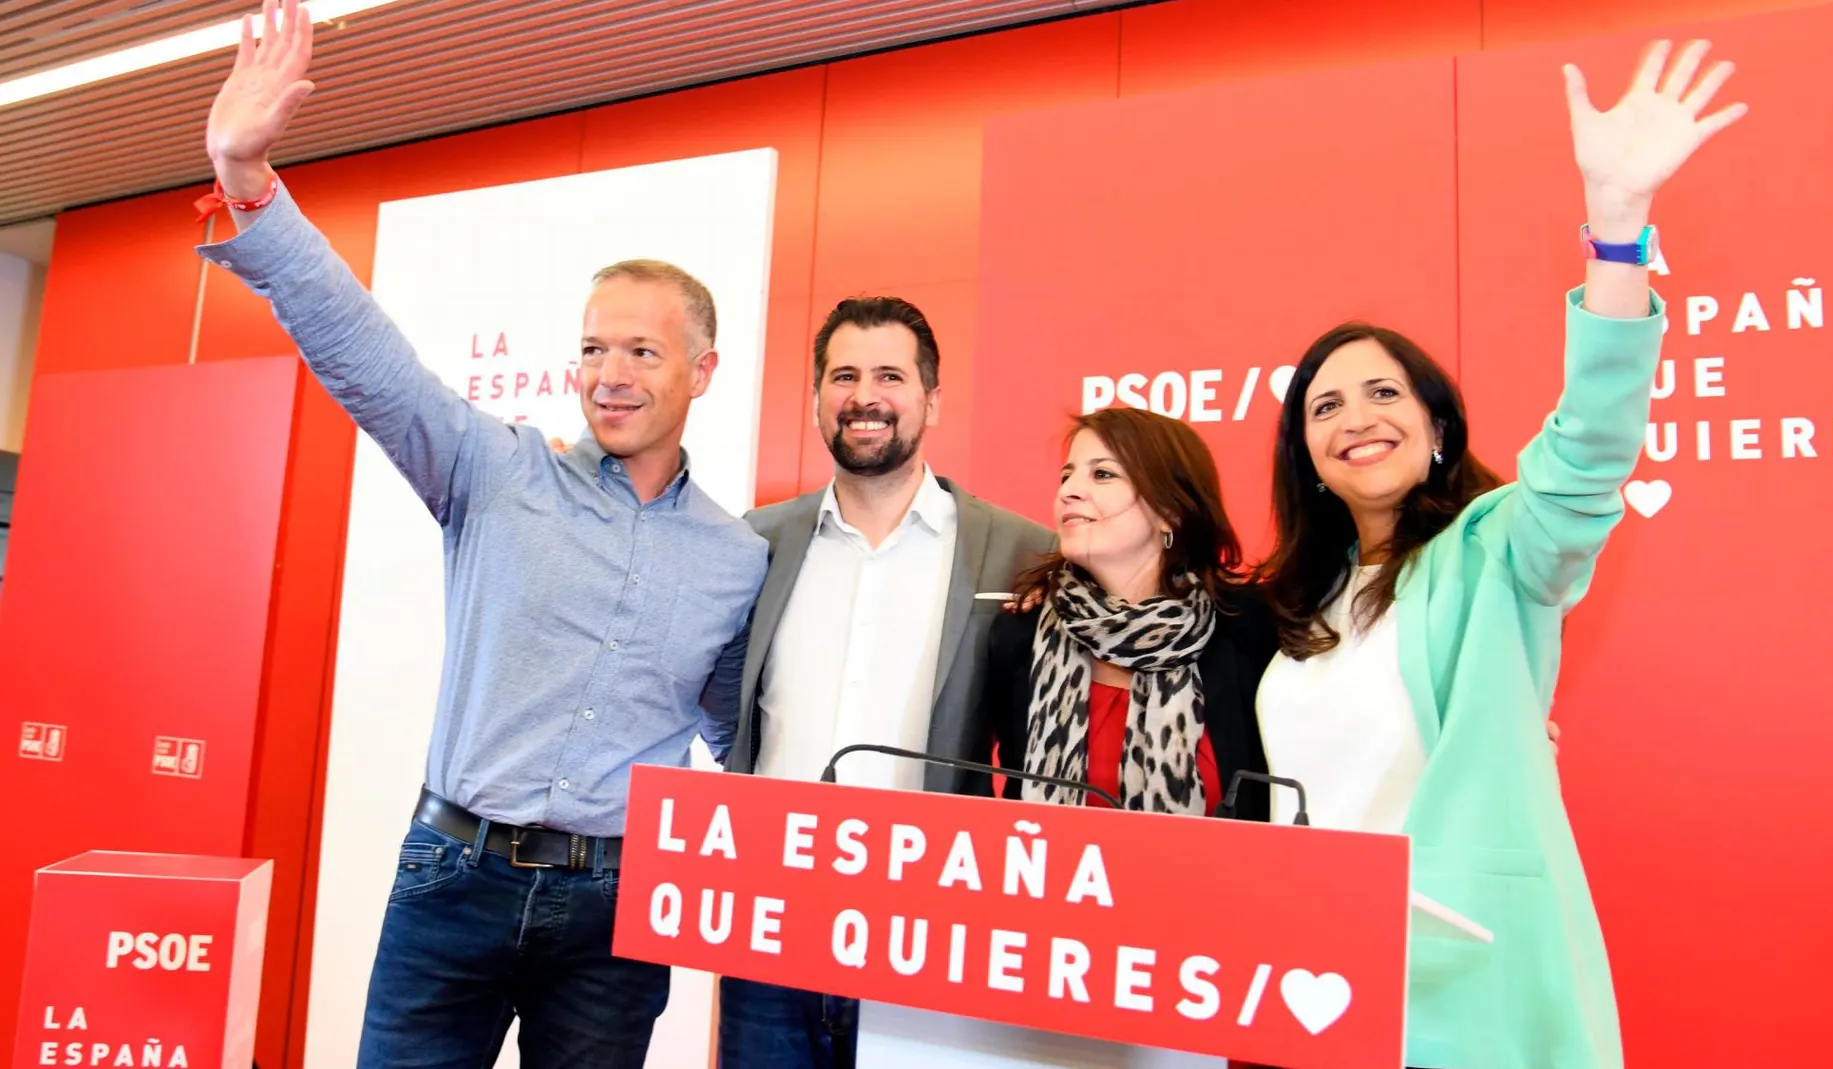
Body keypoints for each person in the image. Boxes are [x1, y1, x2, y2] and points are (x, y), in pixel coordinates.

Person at [197, 3, 765, 1065]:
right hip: (450, 882)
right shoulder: (496, 471)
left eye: (642, 351)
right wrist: (250, 181)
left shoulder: (737, 560)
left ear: (702, 370)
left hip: (614, 915)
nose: (610, 373)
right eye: (594, 348)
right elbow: (365, 355)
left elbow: (747, 737)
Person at [1251, 40, 1745, 1068]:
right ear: (1305, 452)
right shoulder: (1299, 601)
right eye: (1325, 406)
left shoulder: (1495, 555)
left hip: (1464, 980)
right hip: (1315, 981)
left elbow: (1585, 457)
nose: (1355, 417)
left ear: (1437, 428)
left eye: (1384, 392)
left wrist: (1616, 234)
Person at [703, 296, 1054, 1068]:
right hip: (771, 925)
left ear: (931, 398)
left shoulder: (1022, 553)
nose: (865, 396)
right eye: (844, 375)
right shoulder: (755, 542)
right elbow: (714, 697)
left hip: (933, 932)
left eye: (890, 375)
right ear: (819, 396)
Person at [986, 407, 1276, 820]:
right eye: (1066, 475)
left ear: (1169, 511)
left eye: (1102, 474)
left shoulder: (1250, 627)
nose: (1069, 490)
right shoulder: (1021, 631)